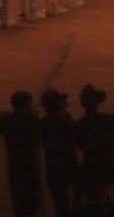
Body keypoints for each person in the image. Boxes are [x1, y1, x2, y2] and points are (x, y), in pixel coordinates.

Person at [75, 84, 114, 213]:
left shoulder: (82, 122)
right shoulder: (107, 119)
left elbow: (81, 144)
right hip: (102, 163)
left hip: (96, 164)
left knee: (89, 196)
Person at [1, 91, 42, 217]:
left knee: (19, 204)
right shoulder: (31, 120)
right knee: (30, 204)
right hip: (29, 167)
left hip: (16, 168)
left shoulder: (9, 121)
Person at [40, 89, 79, 217]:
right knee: (70, 202)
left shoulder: (43, 123)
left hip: (54, 168)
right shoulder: (65, 121)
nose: (65, 102)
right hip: (68, 166)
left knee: (61, 203)